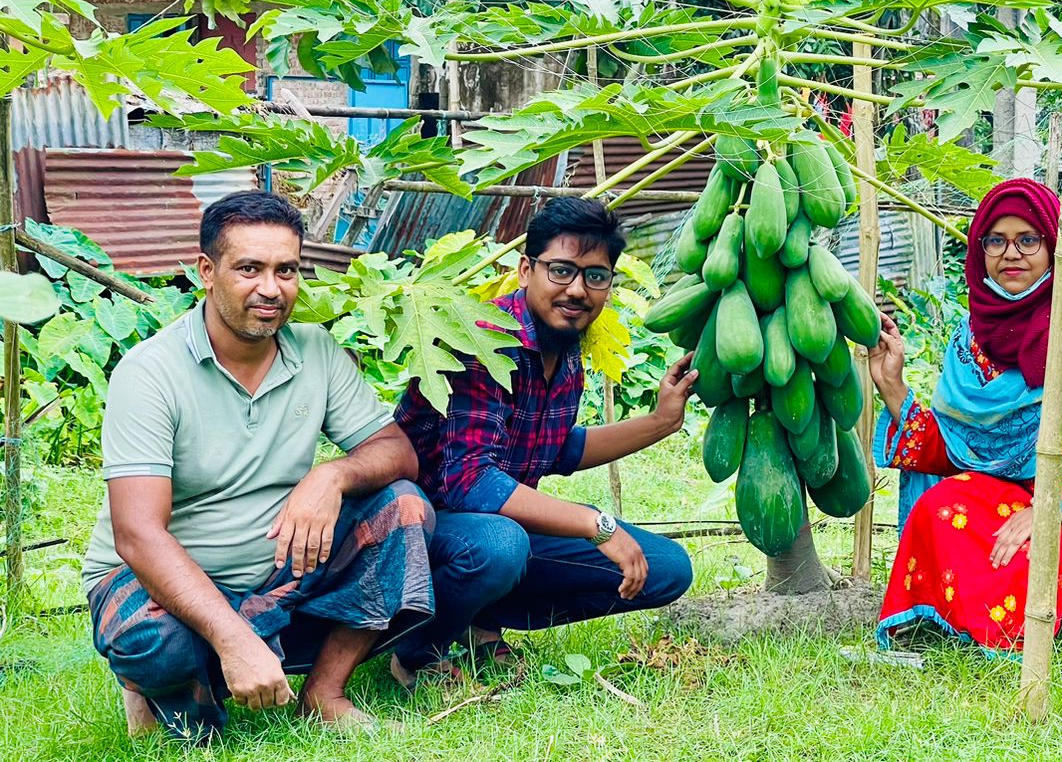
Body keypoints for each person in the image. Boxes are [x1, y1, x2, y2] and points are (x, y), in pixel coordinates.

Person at [81, 191, 434, 742]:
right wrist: (232, 639)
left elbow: (396, 451)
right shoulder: (150, 372)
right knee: (153, 643)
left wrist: (331, 475)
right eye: (250, 268)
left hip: (277, 565)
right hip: (158, 579)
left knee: (405, 507)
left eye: (286, 270)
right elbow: (138, 534)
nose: (271, 288)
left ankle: (324, 693)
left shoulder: (314, 350)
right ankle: (180, 702)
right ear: (207, 271)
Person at [866, 178, 1062, 651]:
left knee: (1019, 567)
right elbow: (959, 452)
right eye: (996, 241)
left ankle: (1056, 605)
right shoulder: (972, 335)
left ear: (1054, 244)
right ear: (979, 251)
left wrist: (1050, 507)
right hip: (1004, 497)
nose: (1011, 254)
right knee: (937, 509)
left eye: (1028, 240)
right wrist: (892, 385)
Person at [389, 198, 696, 684]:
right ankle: (416, 649)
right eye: (561, 270)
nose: (577, 290)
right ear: (525, 270)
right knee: (500, 545)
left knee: (666, 568)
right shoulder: (482, 338)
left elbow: (556, 450)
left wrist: (660, 422)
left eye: (595, 276)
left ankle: (479, 620)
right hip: (419, 531)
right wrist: (596, 524)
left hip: (491, 529)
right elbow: (470, 481)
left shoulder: (563, 345)